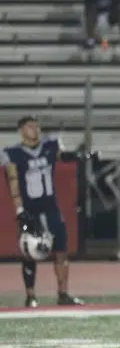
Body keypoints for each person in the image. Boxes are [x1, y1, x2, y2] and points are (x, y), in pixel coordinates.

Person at [4, 115, 85, 307]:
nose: (36, 129)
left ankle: (63, 294)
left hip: (51, 208)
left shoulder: (50, 146)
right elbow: (13, 183)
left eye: (37, 126)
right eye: (31, 126)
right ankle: (31, 296)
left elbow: (63, 155)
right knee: (29, 253)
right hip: (30, 209)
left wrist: (79, 155)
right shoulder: (12, 153)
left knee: (61, 251)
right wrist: (20, 210)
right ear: (22, 130)